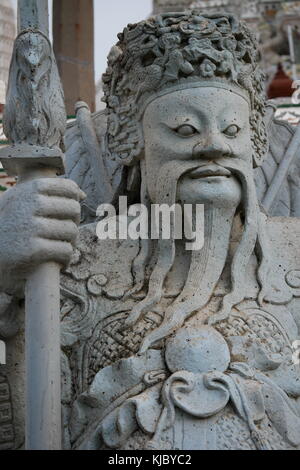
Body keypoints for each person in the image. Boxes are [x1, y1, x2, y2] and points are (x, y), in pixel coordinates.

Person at [0, 11, 300, 450]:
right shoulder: (71, 263)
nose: (214, 145)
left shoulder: (293, 257)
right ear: (132, 142)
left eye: (231, 129)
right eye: (184, 129)